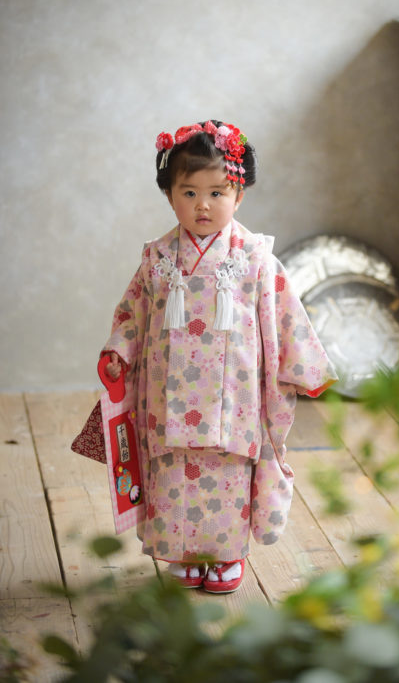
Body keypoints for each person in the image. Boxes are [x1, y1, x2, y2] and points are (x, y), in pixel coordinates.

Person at [101, 120, 337, 593]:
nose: (202, 205)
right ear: (169, 195)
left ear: (239, 195)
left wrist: (303, 369)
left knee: (226, 475)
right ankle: (183, 554)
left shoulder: (254, 257)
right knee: (170, 473)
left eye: (216, 192)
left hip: (233, 396)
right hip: (165, 396)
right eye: (188, 193)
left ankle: (227, 553)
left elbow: (285, 314)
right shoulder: (158, 257)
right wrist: (119, 351)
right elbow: (133, 313)